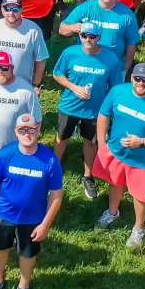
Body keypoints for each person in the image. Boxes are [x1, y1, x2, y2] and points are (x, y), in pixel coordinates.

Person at [0, 113, 64, 289]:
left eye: (31, 129)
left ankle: (23, 287)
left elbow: (56, 196)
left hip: (32, 219)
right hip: (4, 214)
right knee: (0, 248)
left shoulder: (49, 160)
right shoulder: (6, 154)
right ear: (16, 132)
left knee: (27, 253)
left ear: (38, 130)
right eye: (22, 130)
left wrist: (45, 225)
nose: (28, 133)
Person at [93, 62, 145, 245]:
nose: (141, 83)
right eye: (137, 78)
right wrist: (102, 143)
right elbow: (104, 114)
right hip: (117, 152)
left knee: (141, 196)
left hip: (144, 161)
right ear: (131, 78)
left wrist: (142, 142)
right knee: (115, 182)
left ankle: (139, 228)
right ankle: (113, 212)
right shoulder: (118, 92)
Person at [50, 23, 120, 189]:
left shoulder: (110, 58)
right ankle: (53, 169)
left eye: (92, 36)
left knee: (90, 142)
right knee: (61, 138)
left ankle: (88, 176)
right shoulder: (69, 53)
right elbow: (57, 74)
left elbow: (115, 87)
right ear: (79, 36)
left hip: (95, 110)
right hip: (69, 106)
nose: (88, 39)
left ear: (99, 38)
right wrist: (74, 88)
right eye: (84, 35)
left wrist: (109, 110)